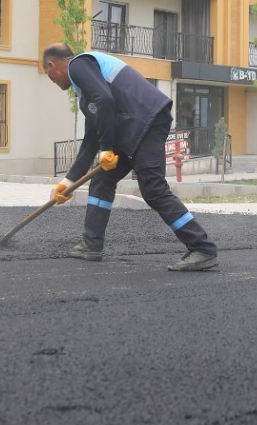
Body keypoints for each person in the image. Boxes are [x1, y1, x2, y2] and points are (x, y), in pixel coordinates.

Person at [41, 42, 219, 271]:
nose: (52, 81)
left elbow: (105, 101)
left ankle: (202, 248)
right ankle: (91, 245)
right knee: (102, 179)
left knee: (152, 188)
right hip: (132, 127)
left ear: (51, 65)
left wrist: (106, 149)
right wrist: (69, 181)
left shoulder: (79, 65)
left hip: (146, 121)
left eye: (49, 75)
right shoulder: (86, 88)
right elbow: (91, 138)